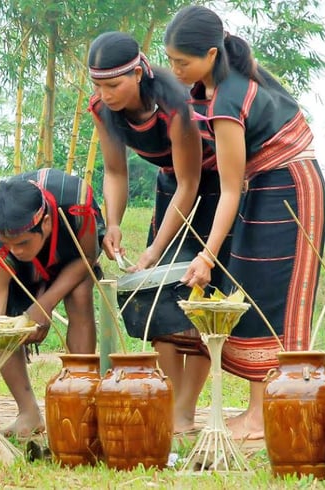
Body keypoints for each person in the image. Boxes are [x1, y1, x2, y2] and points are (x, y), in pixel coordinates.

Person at [164, 5, 325, 439]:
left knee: (276, 297)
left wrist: (206, 255)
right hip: (267, 183)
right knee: (251, 292)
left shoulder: (229, 98)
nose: (176, 70)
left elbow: (230, 189)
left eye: (183, 62)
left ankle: (268, 413)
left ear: (212, 54)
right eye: (172, 61)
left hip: (290, 186)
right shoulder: (220, 87)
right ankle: (262, 409)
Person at [88, 31, 229, 433]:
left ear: (139, 73)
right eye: (98, 85)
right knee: (160, 298)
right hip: (173, 188)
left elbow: (191, 183)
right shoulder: (102, 108)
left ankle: (186, 409)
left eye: (114, 84)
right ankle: (171, 403)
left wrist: (153, 251)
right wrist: (113, 222)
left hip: (211, 189)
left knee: (202, 299)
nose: (106, 93)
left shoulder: (175, 104)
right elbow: (115, 171)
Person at [0, 168, 105, 437]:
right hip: (19, 274)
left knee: (80, 295)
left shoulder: (76, 203)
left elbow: (88, 258)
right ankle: (28, 412)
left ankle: (81, 399)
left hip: (74, 256)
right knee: (4, 326)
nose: (17, 251)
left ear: (45, 222)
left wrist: (43, 303)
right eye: (9, 244)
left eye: (23, 243)